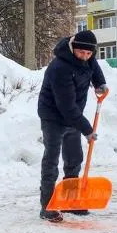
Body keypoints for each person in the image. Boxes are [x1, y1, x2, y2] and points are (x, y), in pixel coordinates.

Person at [37, 30, 107, 223]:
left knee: (74, 158)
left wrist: (100, 83)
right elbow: (66, 106)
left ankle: (71, 201)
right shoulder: (60, 67)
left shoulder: (87, 57)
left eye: (88, 53)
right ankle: (48, 206)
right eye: (81, 53)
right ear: (72, 48)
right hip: (53, 116)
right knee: (51, 160)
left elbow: (93, 67)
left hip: (73, 115)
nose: (85, 56)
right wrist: (87, 130)